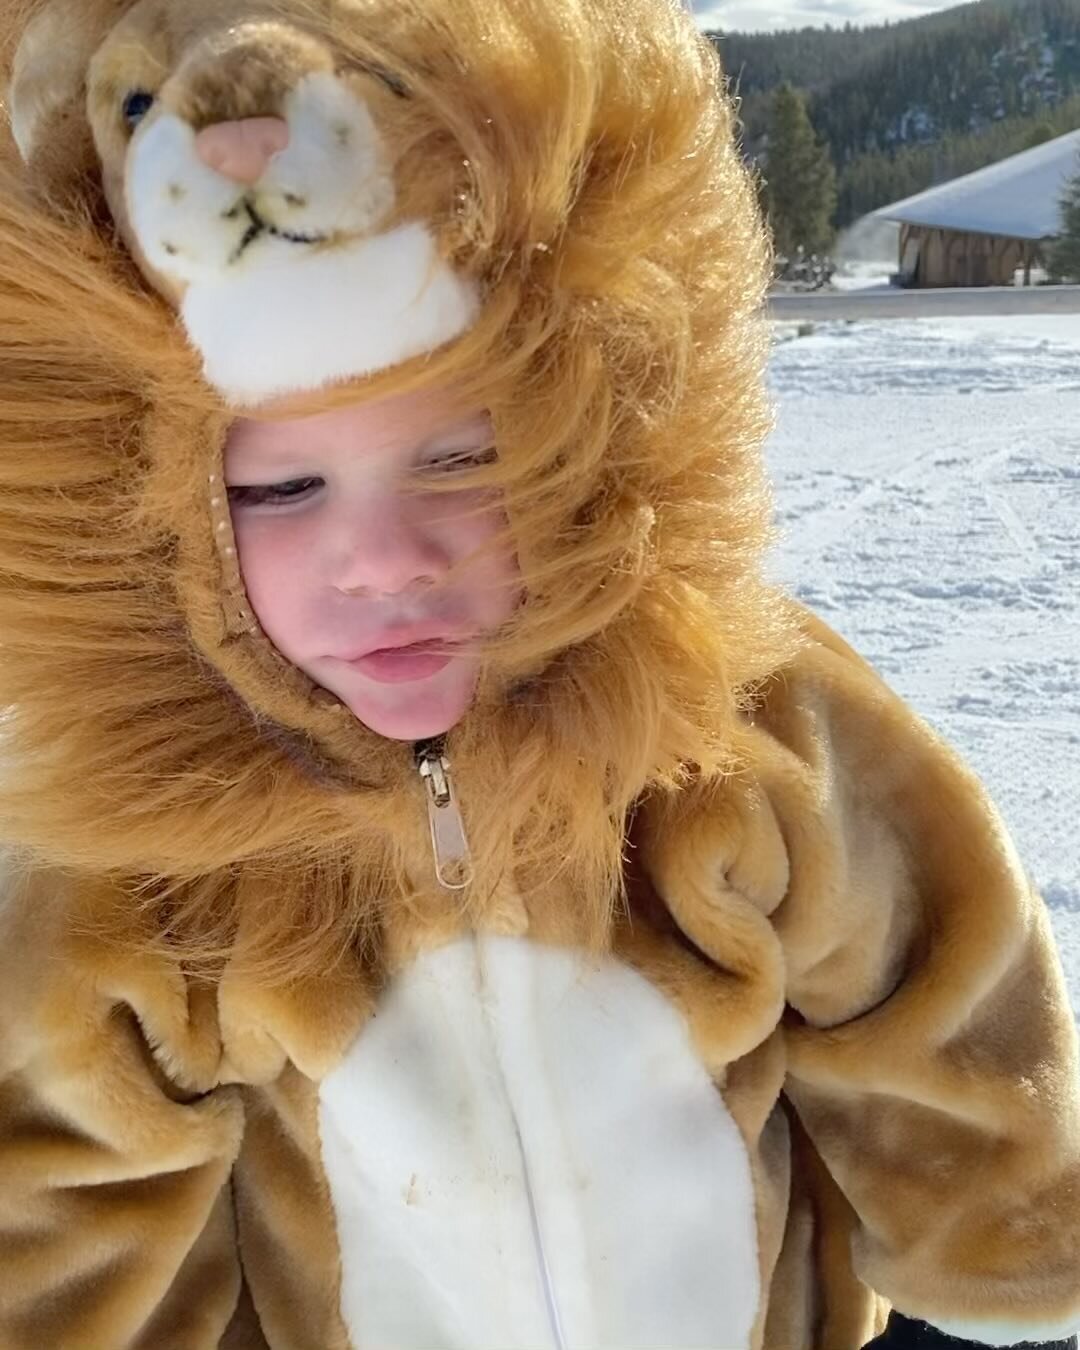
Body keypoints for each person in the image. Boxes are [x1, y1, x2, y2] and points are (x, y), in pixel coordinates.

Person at [0, 0, 1077, 1347]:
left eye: (459, 458)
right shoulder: (150, 868)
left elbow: (934, 974)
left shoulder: (736, 717)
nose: (383, 559)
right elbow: (69, 1192)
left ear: (588, 431)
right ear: (164, 528)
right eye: (279, 488)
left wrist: (1005, 1235)